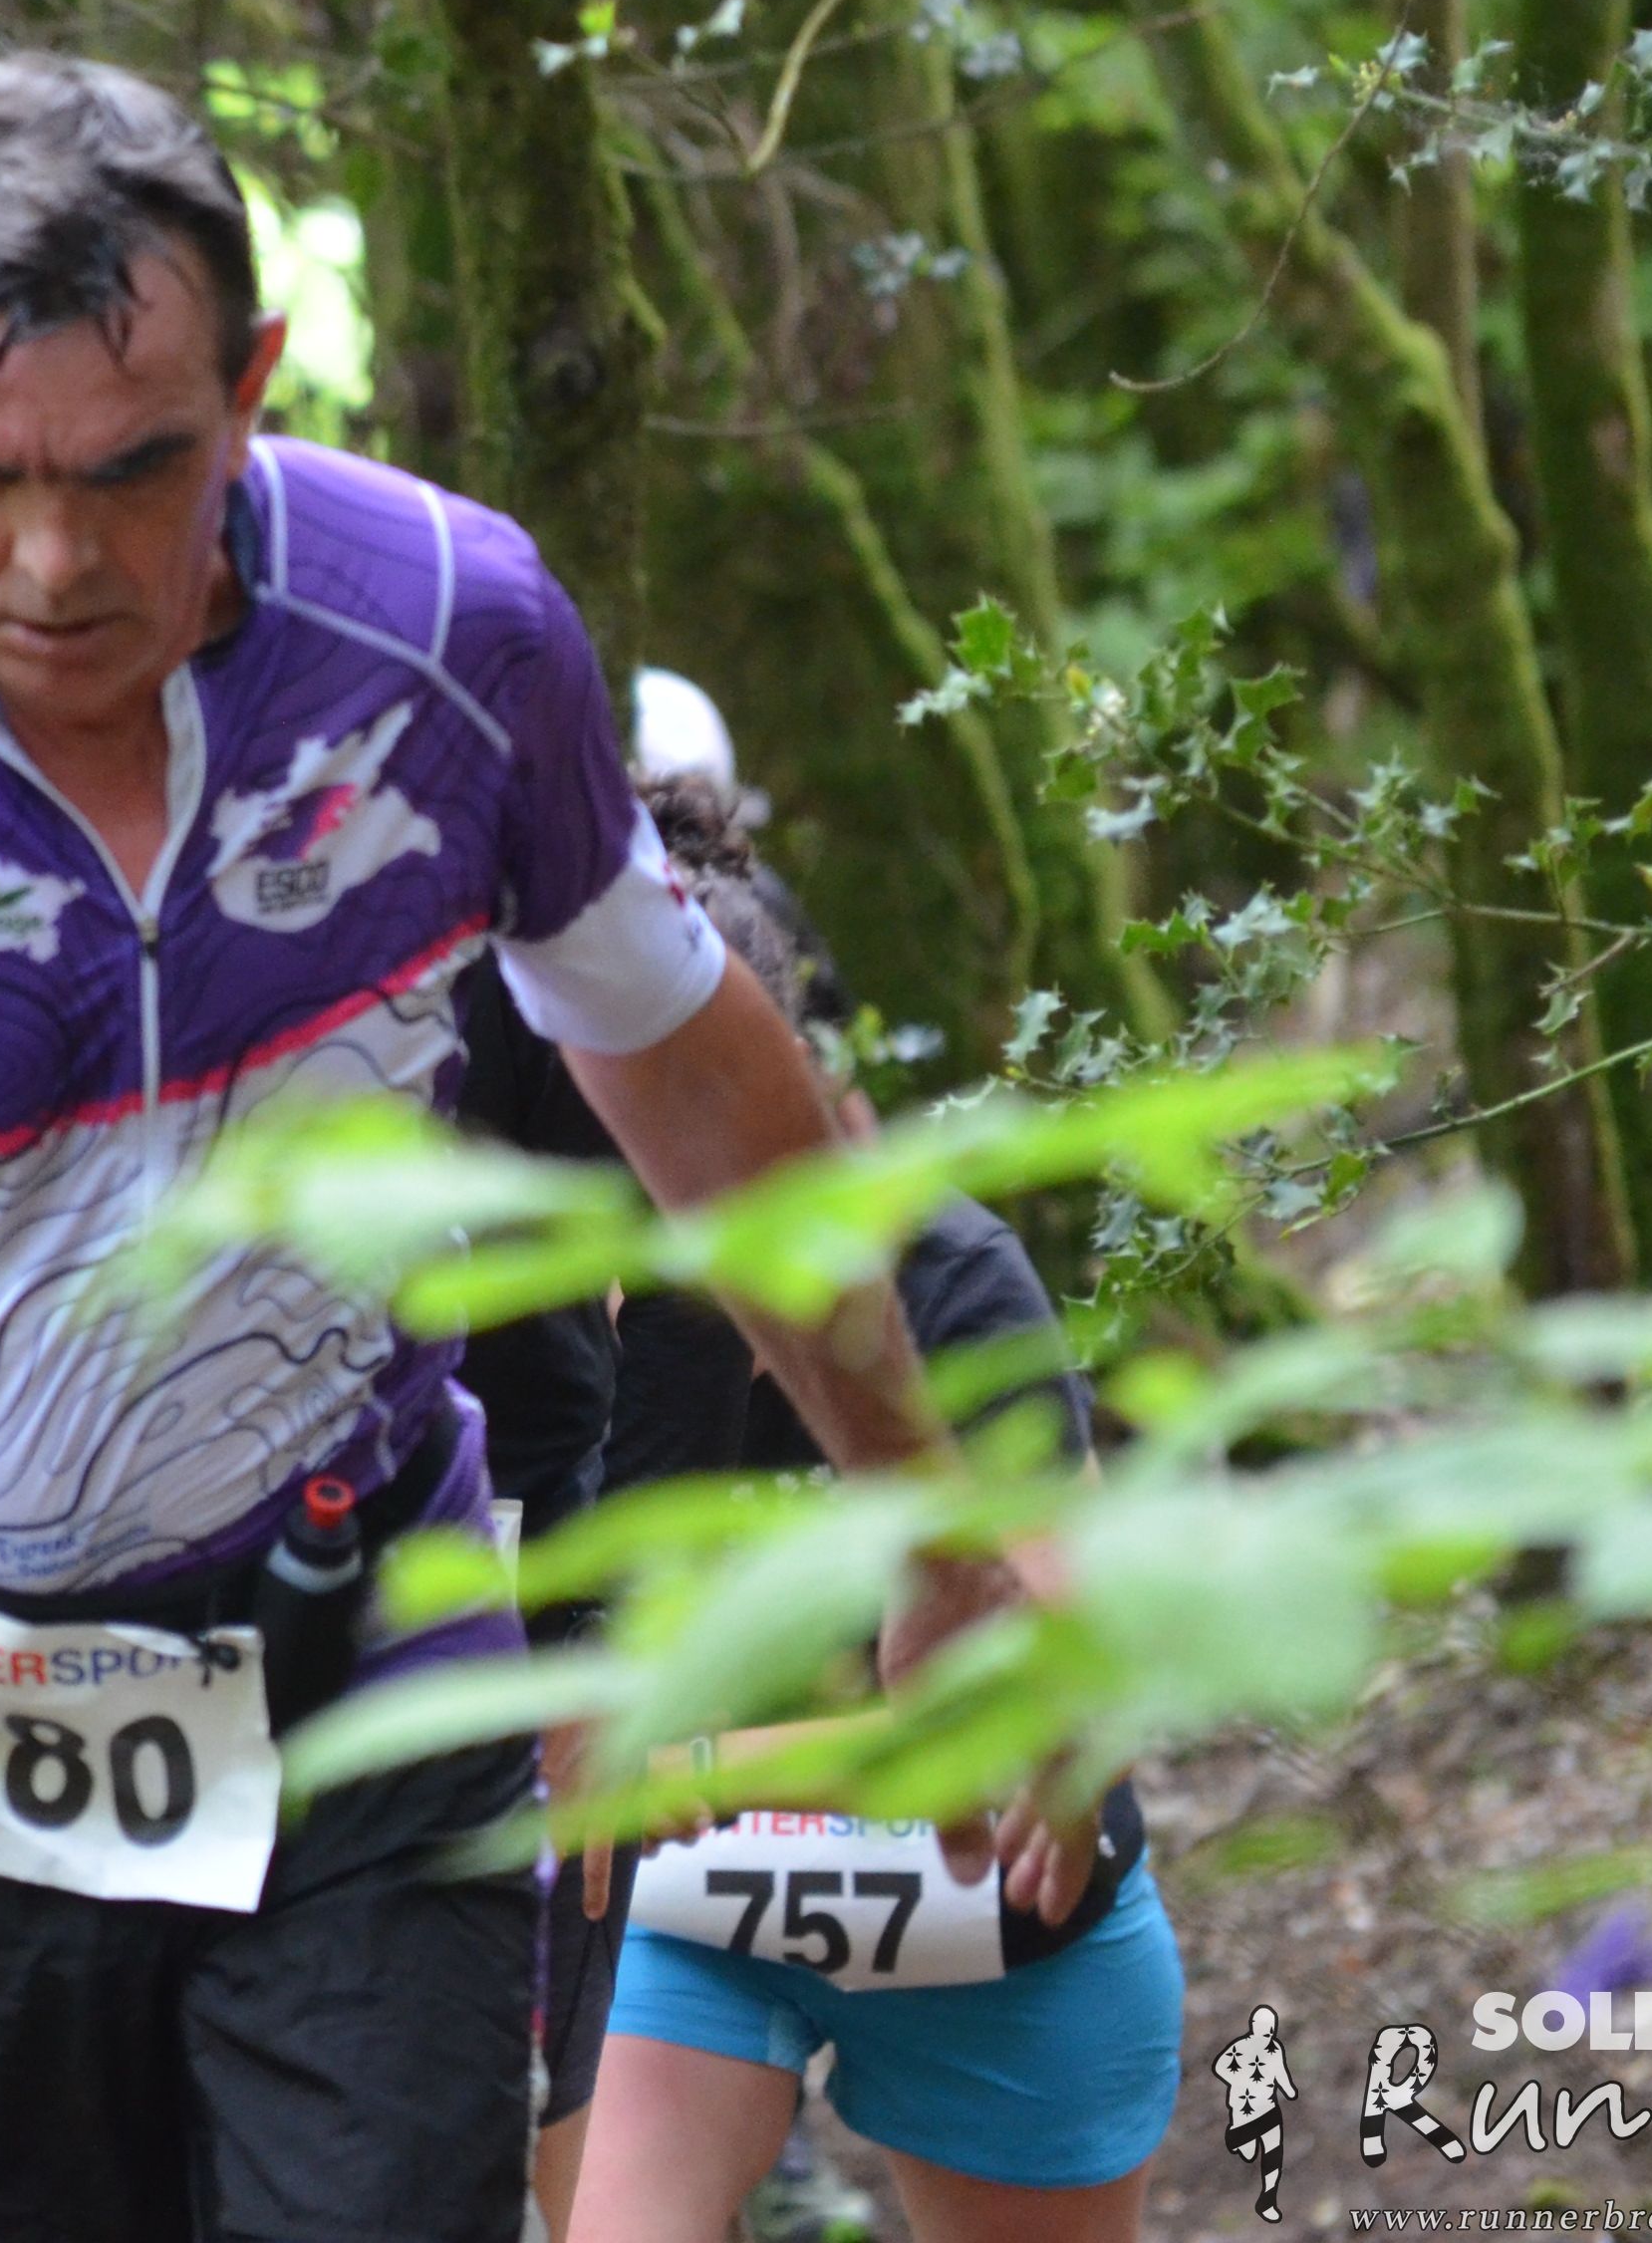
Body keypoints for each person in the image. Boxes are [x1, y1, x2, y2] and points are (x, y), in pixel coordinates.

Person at [0, 57, 1076, 2243]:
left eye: (134, 470)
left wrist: (934, 1524)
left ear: (253, 386)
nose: (51, 560)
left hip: (362, 1645)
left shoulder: (447, 631)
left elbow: (686, 1062)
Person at [568, 777, 1181, 2243]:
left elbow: (1017, 1710)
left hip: (1002, 1922)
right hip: (694, 1922)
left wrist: (688, 1761)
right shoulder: (559, 1316)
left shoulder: (950, 1274)